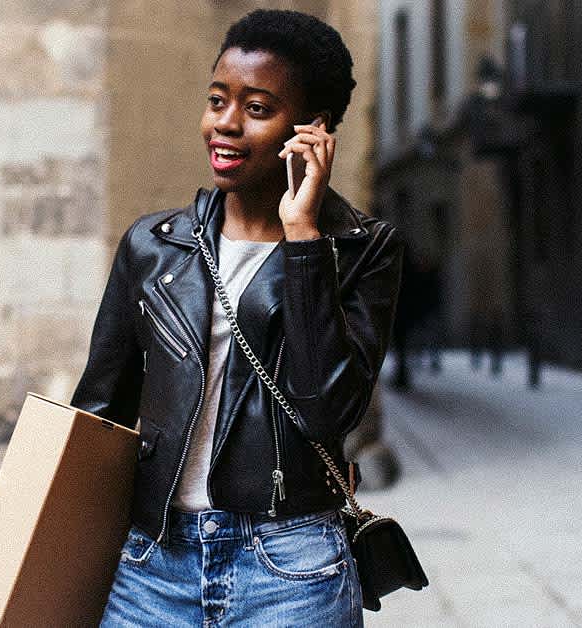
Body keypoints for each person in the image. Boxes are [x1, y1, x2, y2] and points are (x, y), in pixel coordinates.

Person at [70, 9, 403, 626]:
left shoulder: (362, 249)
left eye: (256, 108)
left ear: (312, 131)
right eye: (217, 100)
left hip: (289, 568)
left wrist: (304, 239)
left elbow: (329, 408)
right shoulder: (153, 245)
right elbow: (98, 414)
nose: (224, 124)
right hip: (151, 565)